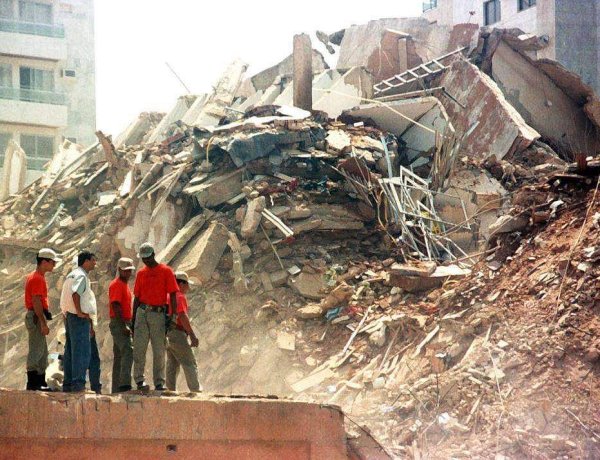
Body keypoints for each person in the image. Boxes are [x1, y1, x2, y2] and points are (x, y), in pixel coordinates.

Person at [132, 242, 178, 391]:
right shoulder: (141, 273)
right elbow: (137, 298)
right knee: (139, 348)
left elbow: (172, 295)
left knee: (159, 349)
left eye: (148, 257)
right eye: (143, 258)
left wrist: (173, 316)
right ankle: (139, 380)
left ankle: (159, 382)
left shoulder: (166, 271)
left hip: (158, 314)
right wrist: (133, 320)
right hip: (142, 312)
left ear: (153, 254)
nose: (146, 261)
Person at [60, 251, 98, 393]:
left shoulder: (71, 275)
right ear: (86, 261)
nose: (95, 263)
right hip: (78, 318)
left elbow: (65, 299)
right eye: (93, 260)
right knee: (81, 351)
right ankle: (78, 385)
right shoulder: (81, 276)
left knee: (70, 351)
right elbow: (76, 294)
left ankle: (68, 385)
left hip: (70, 317)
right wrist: (80, 312)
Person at [24, 248, 60, 391]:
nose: (54, 265)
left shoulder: (36, 277)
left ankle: (39, 382)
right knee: (36, 350)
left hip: (36, 316)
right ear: (44, 262)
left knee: (42, 352)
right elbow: (36, 301)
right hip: (36, 316)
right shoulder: (37, 278)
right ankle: (33, 384)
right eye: (52, 262)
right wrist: (43, 323)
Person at [166, 271, 201, 392]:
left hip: (167, 333)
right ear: (180, 283)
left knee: (172, 363)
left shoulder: (168, 296)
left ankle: (170, 390)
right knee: (189, 362)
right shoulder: (179, 297)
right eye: (186, 284)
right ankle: (195, 390)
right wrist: (192, 335)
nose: (188, 287)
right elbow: (182, 315)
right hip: (177, 332)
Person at [109, 257, 136, 393]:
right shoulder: (117, 285)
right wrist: (123, 325)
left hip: (123, 321)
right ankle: (125, 384)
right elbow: (115, 304)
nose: (128, 273)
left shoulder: (124, 285)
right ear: (119, 270)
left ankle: (117, 387)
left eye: (130, 271)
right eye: (126, 271)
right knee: (127, 351)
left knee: (119, 355)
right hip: (120, 321)